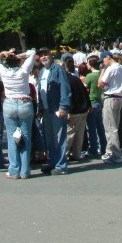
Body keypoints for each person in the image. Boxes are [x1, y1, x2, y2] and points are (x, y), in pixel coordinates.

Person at [0, 47, 37, 180]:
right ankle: (25, 171)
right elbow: (32, 53)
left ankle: (14, 170)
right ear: (18, 62)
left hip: (9, 103)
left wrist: (3, 53)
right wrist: (18, 55)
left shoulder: (4, 72)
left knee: (12, 137)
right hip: (24, 102)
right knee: (26, 136)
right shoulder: (24, 71)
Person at [37, 47, 72, 175]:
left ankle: (61, 165)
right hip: (46, 110)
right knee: (50, 139)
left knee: (59, 138)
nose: (43, 57)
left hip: (56, 109)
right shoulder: (41, 72)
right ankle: (53, 162)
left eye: (45, 54)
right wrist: (40, 108)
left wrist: (64, 107)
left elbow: (65, 89)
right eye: (41, 55)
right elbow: (41, 91)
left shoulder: (58, 70)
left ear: (50, 56)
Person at [97, 51, 122, 164]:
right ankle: (110, 151)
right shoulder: (121, 68)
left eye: (103, 60)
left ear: (108, 58)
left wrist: (103, 70)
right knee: (114, 126)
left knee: (110, 128)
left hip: (110, 98)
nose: (103, 63)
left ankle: (115, 154)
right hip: (118, 98)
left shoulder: (110, 69)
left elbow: (100, 84)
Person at [64, 57, 91, 161]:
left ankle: (64, 155)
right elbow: (85, 92)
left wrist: (69, 111)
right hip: (83, 109)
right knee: (79, 134)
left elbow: (69, 96)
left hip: (74, 111)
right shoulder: (76, 79)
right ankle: (77, 154)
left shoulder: (66, 81)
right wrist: (89, 105)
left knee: (69, 134)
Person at [84, 55, 106, 157]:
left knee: (91, 127)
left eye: (88, 63)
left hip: (92, 102)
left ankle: (93, 149)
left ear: (91, 64)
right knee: (100, 126)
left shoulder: (90, 76)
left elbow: (84, 88)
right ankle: (104, 147)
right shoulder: (101, 74)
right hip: (99, 100)